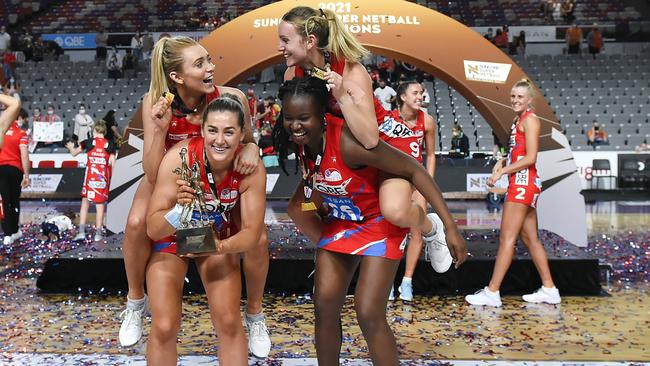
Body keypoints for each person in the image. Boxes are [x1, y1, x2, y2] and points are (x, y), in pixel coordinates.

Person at [272, 76, 467, 364]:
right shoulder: (301, 143)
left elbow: (414, 170)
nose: (295, 125)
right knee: (324, 306)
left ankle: (430, 227)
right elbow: (305, 199)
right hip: (344, 221)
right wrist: (328, 241)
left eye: (303, 118)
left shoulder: (350, 143)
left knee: (368, 312)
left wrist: (450, 227)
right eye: (289, 118)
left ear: (322, 117)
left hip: (378, 220)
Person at [118, 36, 270, 358]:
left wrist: (254, 148)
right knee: (135, 224)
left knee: (257, 237)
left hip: (215, 190)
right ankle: (135, 300)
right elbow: (152, 173)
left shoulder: (230, 98)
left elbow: (248, 140)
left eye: (208, 60)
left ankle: (255, 313)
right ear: (176, 76)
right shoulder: (156, 103)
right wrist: (159, 133)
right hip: (170, 179)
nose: (211, 67)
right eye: (200, 64)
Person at [278, 7, 453, 278]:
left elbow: (370, 138)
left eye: (285, 40)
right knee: (299, 209)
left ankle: (431, 228)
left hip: (384, 142)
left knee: (394, 210)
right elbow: (310, 130)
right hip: (346, 147)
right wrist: (308, 165)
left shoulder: (350, 70)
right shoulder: (292, 76)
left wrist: (343, 96)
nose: (280, 47)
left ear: (310, 41)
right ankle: (334, 252)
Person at [146, 96, 267, 365]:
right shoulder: (180, 156)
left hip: (216, 238)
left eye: (229, 132)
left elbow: (252, 233)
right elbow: (153, 229)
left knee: (228, 320)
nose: (220, 140)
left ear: (241, 136)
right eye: (212, 130)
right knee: (164, 325)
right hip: (173, 237)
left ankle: (255, 314)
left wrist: (219, 246)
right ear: (202, 131)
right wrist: (178, 210)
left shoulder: (249, 167)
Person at [465, 79, 560, 307]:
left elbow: (530, 158)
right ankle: (549, 289)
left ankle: (492, 291)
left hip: (523, 183)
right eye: (513, 96)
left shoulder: (531, 120)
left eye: (520, 97)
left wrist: (502, 173)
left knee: (507, 239)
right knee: (530, 239)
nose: (515, 100)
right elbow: (518, 153)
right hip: (523, 182)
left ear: (529, 100)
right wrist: (501, 163)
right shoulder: (518, 121)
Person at [389, 81, 438, 301]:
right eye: (415, 93)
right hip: (392, 181)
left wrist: (427, 183)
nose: (420, 96)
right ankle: (387, 282)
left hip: (417, 180)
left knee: (416, 230)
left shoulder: (427, 121)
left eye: (422, 93)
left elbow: (430, 155)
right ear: (402, 97)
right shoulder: (388, 120)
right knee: (388, 231)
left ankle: (406, 282)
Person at [66, 120, 116, 242]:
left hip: (89, 180)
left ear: (94, 130)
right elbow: (113, 165)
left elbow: (73, 154)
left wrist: (71, 147)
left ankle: (82, 232)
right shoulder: (110, 145)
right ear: (104, 131)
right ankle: (98, 234)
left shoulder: (88, 142)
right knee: (100, 207)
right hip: (102, 180)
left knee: (84, 205)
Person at [0, 97, 29, 245]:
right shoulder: (21, 134)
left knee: (4, 201)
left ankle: (7, 233)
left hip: (1, 169)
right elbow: (24, 155)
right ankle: (15, 230)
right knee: (14, 201)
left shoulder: (1, 129)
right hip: (16, 170)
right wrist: (27, 175)